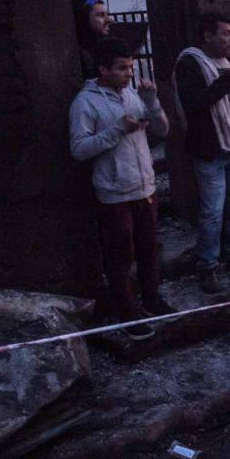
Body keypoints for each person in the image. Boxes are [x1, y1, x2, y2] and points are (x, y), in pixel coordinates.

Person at [69, 37, 173, 340]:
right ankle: (128, 315)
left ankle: (151, 300)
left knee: (149, 250)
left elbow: (162, 131)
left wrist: (152, 102)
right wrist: (117, 130)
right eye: (122, 68)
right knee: (121, 256)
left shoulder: (131, 95)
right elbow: (79, 149)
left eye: (130, 67)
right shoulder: (85, 102)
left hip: (145, 188)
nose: (129, 73)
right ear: (103, 69)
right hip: (114, 194)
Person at [174, 13, 230, 294]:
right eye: (225, 33)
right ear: (207, 35)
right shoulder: (190, 63)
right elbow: (195, 104)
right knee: (212, 211)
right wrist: (228, 79)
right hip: (210, 148)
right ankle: (207, 266)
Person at [72, 0, 112, 80]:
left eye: (106, 14)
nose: (109, 19)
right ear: (83, 18)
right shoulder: (79, 55)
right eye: (100, 15)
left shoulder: (102, 46)